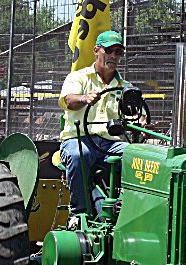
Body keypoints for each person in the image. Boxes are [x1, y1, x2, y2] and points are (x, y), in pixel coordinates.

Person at [58, 30, 131, 215]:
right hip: (78, 139)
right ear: (96, 50)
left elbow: (136, 115)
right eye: (109, 50)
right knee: (78, 155)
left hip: (111, 145)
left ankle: (127, 208)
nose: (113, 55)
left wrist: (143, 123)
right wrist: (84, 98)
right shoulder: (78, 77)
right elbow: (68, 101)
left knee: (137, 157)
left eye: (118, 52)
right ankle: (78, 212)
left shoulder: (125, 87)